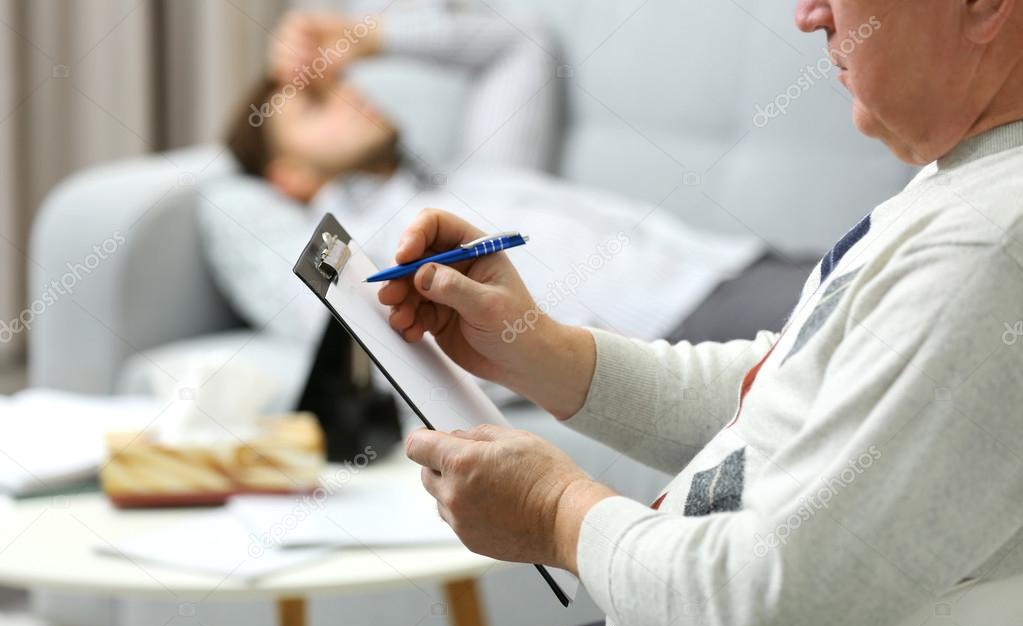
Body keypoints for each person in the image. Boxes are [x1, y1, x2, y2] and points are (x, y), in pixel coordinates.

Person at [317, 0, 1023, 626]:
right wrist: (540, 350)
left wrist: (555, 512)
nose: (807, 14)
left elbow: (765, 622)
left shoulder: (983, 247)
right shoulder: (967, 180)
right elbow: (796, 389)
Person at [225, 9, 814, 351]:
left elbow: (520, 46)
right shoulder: (365, 247)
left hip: (742, 262)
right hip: (682, 325)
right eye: (317, 104)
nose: (349, 92)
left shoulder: (480, 170)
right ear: (290, 177)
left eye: (338, 81)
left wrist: (364, 36)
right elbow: (329, 327)